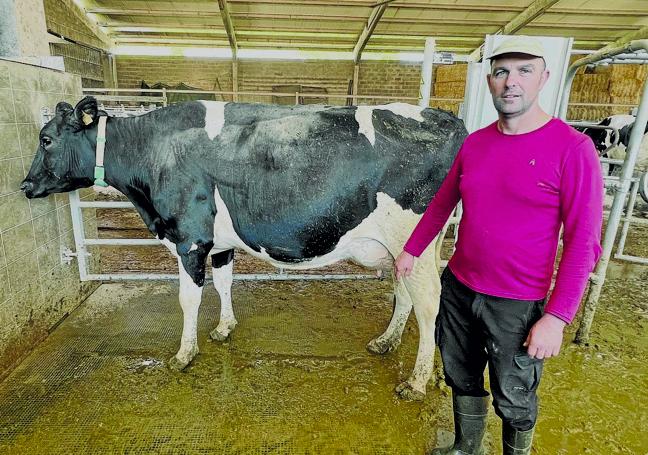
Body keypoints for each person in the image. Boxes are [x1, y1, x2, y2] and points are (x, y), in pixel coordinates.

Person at [395, 36, 603, 455]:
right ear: (490, 81)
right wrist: (412, 250)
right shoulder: (476, 143)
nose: (512, 82)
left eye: (524, 70)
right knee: (460, 372)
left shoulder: (572, 149)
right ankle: (466, 446)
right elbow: (442, 203)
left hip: (517, 302)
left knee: (514, 391)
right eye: (502, 71)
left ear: (544, 78)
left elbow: (584, 243)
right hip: (459, 288)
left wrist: (558, 318)